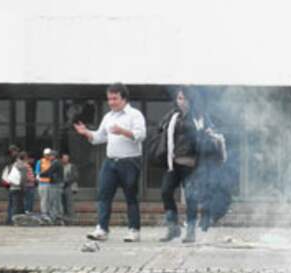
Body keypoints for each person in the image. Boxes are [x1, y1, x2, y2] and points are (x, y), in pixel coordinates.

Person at [74, 83, 147, 242]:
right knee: (103, 195)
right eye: (109, 99)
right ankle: (102, 229)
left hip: (130, 162)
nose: (112, 102)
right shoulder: (108, 117)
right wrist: (86, 132)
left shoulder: (135, 115)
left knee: (131, 197)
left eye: (115, 98)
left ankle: (134, 230)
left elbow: (141, 135)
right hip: (110, 162)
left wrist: (123, 131)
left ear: (124, 98)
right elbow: (100, 137)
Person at [155, 87, 207, 243]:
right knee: (165, 192)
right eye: (179, 98)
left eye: (184, 98)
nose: (181, 101)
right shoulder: (173, 115)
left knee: (191, 197)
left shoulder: (199, 116)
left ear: (191, 100)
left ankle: (191, 231)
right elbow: (160, 128)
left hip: (191, 164)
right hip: (174, 162)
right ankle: (173, 227)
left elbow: (207, 135)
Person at [38, 149, 64, 224]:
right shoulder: (58, 162)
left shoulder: (55, 163)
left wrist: (40, 174)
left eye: (51, 155)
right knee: (57, 201)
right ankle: (58, 217)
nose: (49, 157)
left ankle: (54, 217)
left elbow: (49, 171)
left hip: (55, 184)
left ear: (54, 156)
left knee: (53, 201)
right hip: (57, 183)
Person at [0, 144, 20, 224]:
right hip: (14, 184)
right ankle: (12, 220)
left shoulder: (8, 160)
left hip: (10, 184)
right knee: (14, 204)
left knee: (11, 203)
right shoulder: (14, 160)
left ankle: (8, 220)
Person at [61, 153, 79, 222]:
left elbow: (75, 176)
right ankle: (65, 219)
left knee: (70, 203)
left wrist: (66, 181)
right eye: (64, 158)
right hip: (61, 187)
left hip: (69, 187)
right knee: (63, 203)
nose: (65, 159)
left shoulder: (72, 166)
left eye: (66, 158)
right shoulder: (61, 166)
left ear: (68, 159)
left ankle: (72, 219)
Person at [35, 148, 53, 217]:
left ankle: (50, 213)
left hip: (51, 183)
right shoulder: (40, 162)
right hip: (42, 183)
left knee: (50, 199)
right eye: (47, 155)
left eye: (49, 154)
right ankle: (44, 214)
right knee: (43, 199)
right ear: (44, 155)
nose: (48, 156)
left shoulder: (52, 162)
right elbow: (37, 173)